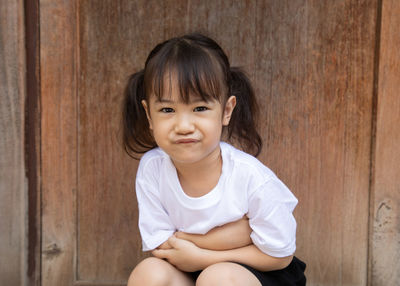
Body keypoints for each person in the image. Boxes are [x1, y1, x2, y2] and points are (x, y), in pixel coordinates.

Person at [122, 33, 306, 286]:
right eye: (167, 110)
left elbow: (280, 254)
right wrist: (239, 233)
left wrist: (202, 254)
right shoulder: (153, 168)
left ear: (226, 110)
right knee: (149, 274)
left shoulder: (251, 177)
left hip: (259, 269)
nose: (184, 126)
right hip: (188, 265)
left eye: (199, 108)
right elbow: (161, 244)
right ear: (149, 115)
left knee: (216, 278)